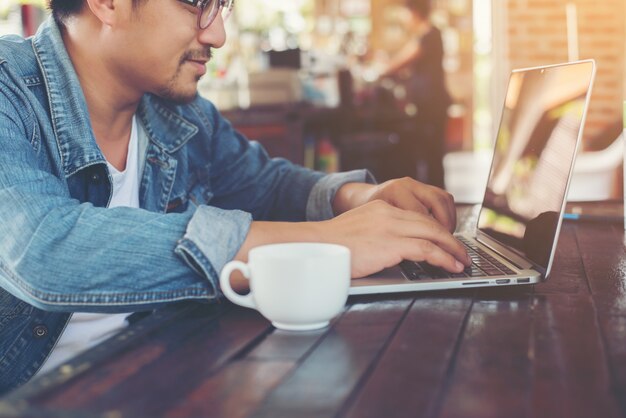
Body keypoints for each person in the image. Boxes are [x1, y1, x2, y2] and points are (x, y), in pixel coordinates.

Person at [0, 0, 470, 393]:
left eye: (221, 7)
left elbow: (264, 184)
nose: (218, 34)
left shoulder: (179, 115)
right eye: (197, 3)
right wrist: (327, 244)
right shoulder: (8, 91)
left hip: (152, 369)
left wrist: (361, 198)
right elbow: (44, 248)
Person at [377, 0, 451, 189]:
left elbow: (399, 62)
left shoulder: (430, 35)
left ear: (415, 12)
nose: (405, 19)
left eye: (406, 14)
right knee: (429, 156)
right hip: (428, 104)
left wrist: (384, 67)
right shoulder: (425, 36)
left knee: (432, 156)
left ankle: (437, 204)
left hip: (432, 105)